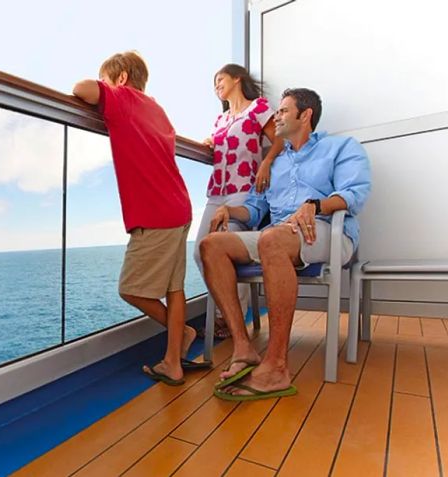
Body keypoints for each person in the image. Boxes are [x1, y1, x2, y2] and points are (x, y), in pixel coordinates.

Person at [200, 88, 371, 400]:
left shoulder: (341, 147)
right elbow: (254, 210)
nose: (275, 117)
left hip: (327, 232)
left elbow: (355, 195)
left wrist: (314, 205)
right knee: (211, 245)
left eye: (283, 111)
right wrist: (230, 210)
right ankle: (243, 346)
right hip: (278, 235)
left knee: (272, 239)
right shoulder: (274, 164)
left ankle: (277, 367)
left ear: (305, 116)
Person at [73, 51, 197, 386]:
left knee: (130, 288)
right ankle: (173, 360)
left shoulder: (124, 98)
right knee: (174, 287)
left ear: (123, 79)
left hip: (156, 213)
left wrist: (106, 87)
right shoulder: (157, 109)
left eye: (109, 80)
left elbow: (82, 88)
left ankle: (182, 332)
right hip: (179, 206)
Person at [195, 64, 284, 339]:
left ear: (237, 78)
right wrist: (209, 142)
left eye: (220, 79)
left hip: (243, 190)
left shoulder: (258, 108)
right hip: (217, 191)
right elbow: (219, 145)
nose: (216, 86)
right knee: (200, 251)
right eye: (214, 83)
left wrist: (266, 163)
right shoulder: (220, 120)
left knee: (230, 252)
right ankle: (229, 310)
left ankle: (230, 319)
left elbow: (279, 140)